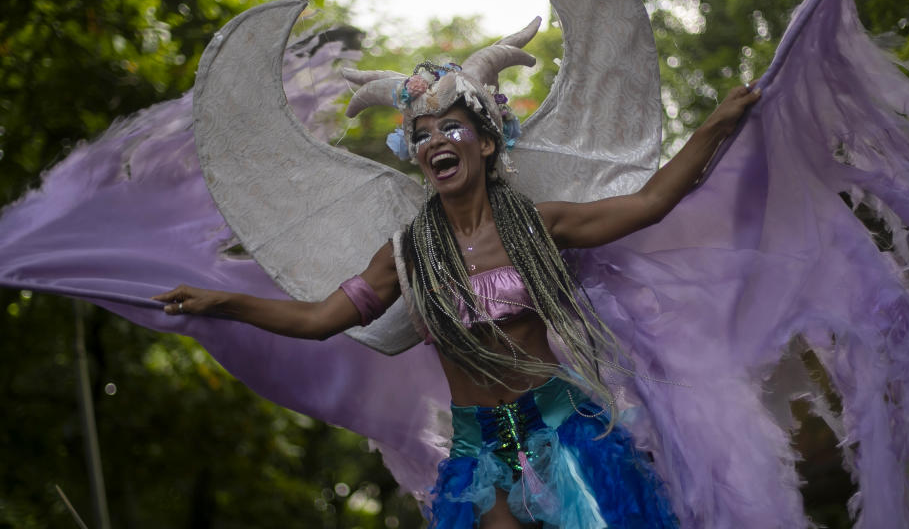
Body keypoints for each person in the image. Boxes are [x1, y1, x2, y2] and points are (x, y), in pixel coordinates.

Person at [153, 46, 760, 527]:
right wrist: (221, 302)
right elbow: (319, 320)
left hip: (564, 432)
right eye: (421, 134)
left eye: (450, 127)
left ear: (488, 142)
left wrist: (716, 125)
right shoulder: (406, 255)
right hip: (480, 459)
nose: (434, 141)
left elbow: (651, 203)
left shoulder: (538, 224)